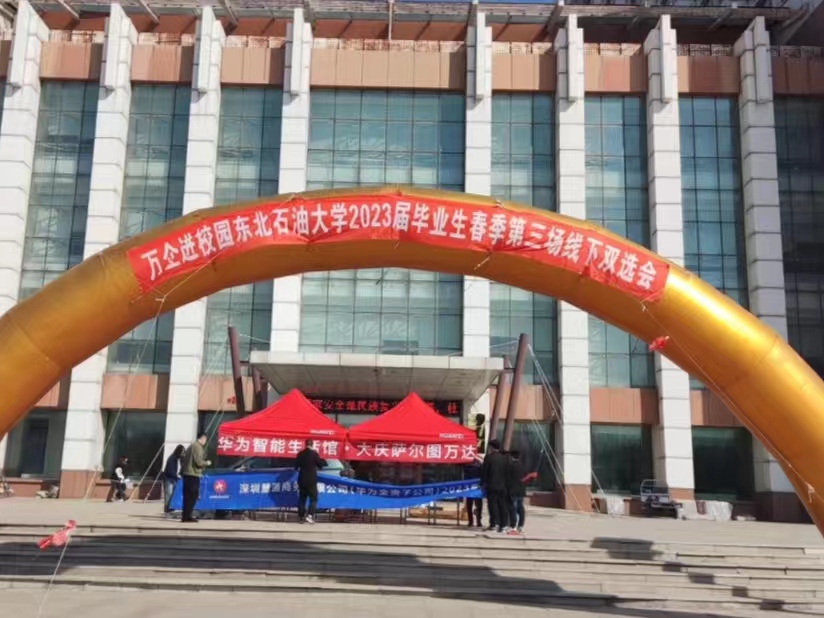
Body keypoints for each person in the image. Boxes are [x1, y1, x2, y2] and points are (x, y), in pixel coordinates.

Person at [480, 439, 510, 533]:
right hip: (503, 486)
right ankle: (503, 525)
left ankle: (494, 524)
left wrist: (482, 483)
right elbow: (507, 472)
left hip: (491, 485)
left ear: (491, 447)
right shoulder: (504, 458)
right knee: (502, 505)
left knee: (492, 505)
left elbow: (484, 472)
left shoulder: (489, 458)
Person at [181, 434, 211, 523]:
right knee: (192, 496)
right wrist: (207, 463)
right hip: (193, 474)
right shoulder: (197, 447)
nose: (205, 442)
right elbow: (198, 462)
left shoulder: (191, 446)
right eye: (205, 440)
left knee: (187, 497)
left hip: (187, 474)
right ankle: (188, 516)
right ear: (202, 438)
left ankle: (185, 516)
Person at [295, 439, 327, 524]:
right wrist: (319, 456)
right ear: (312, 445)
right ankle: (309, 516)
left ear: (305, 444)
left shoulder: (300, 454)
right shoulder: (314, 454)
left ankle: (301, 517)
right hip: (311, 480)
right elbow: (321, 465)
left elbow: (296, 467)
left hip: (301, 479)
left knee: (302, 499)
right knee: (314, 498)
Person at [506, 449, 536, 535]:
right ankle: (521, 526)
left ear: (511, 457)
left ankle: (513, 526)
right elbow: (525, 479)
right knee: (520, 508)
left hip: (513, 490)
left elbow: (508, 479)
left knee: (513, 509)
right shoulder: (523, 466)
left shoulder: (510, 466)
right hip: (521, 490)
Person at [163, 444, 185, 515]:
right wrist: (177, 476)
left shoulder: (179, 459)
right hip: (170, 479)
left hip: (175, 478)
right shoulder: (172, 458)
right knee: (169, 495)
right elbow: (170, 470)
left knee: (173, 494)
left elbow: (182, 468)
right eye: (182, 452)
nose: (182, 454)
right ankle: (167, 509)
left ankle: (171, 507)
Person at [463, 459, 484, 528]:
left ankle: (471, 521)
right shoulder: (479, 464)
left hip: (469, 487)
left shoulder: (466, 465)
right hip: (477, 487)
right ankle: (478, 521)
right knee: (478, 505)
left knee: (469, 504)